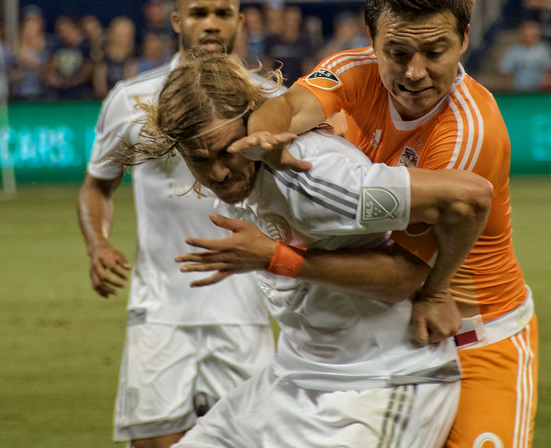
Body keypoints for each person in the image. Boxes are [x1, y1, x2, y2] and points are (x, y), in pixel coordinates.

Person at [230, 0, 538, 448]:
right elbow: (283, 108)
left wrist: (277, 259)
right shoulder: (353, 69)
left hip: (478, 334)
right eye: (397, 52)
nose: (414, 72)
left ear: (463, 40)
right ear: (372, 40)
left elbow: (404, 275)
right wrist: (267, 145)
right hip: (394, 342)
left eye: (434, 51)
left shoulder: (467, 132)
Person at [123, 49, 492, 447]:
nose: (217, 172)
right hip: (295, 377)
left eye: (227, 150)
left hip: (385, 382)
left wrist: (278, 259)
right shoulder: (243, 183)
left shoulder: (314, 178)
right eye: (198, 159)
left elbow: (468, 200)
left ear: (250, 116)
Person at [77, 0, 274, 447]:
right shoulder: (131, 101)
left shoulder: (268, 101)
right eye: (199, 13)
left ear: (240, 21)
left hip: (245, 312)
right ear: (176, 20)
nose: (211, 24)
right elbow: (97, 187)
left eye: (222, 13)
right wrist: (98, 243)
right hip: (160, 310)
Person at [498, 19, 551, 92]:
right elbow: (505, 72)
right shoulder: (514, 51)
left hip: (540, 92)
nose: (530, 37)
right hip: (519, 91)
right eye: (527, 35)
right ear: (521, 35)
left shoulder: (544, 49)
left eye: (533, 35)